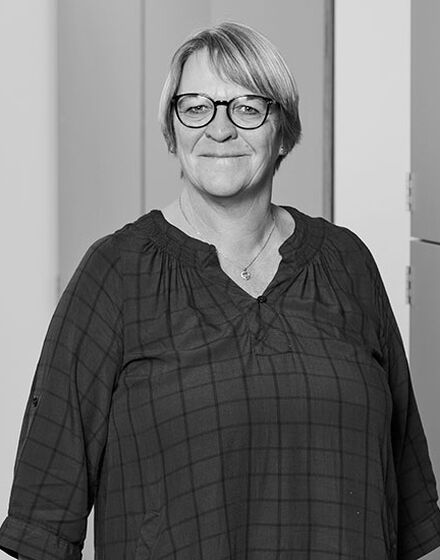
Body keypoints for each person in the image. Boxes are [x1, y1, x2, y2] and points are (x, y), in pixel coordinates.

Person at [1, 21, 440, 560]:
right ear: (173, 130)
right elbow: (42, 523)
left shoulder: (348, 265)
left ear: (283, 130)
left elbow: (412, 514)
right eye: (196, 108)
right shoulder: (115, 274)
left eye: (247, 107)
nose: (220, 129)